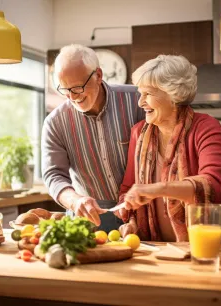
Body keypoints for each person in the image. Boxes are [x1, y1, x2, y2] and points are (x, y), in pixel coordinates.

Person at [115, 55, 221, 244]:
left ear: (173, 94)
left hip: (219, 245)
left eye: (148, 94)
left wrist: (158, 189)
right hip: (162, 249)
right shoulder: (138, 133)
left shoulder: (205, 126)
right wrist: (132, 220)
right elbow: (128, 188)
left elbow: (212, 183)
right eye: (140, 94)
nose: (140, 102)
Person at [41, 44, 145, 232]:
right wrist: (75, 201)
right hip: (90, 217)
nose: (72, 97)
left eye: (78, 87)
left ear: (98, 75)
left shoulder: (137, 100)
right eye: (64, 89)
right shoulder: (55, 122)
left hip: (141, 210)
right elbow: (54, 175)